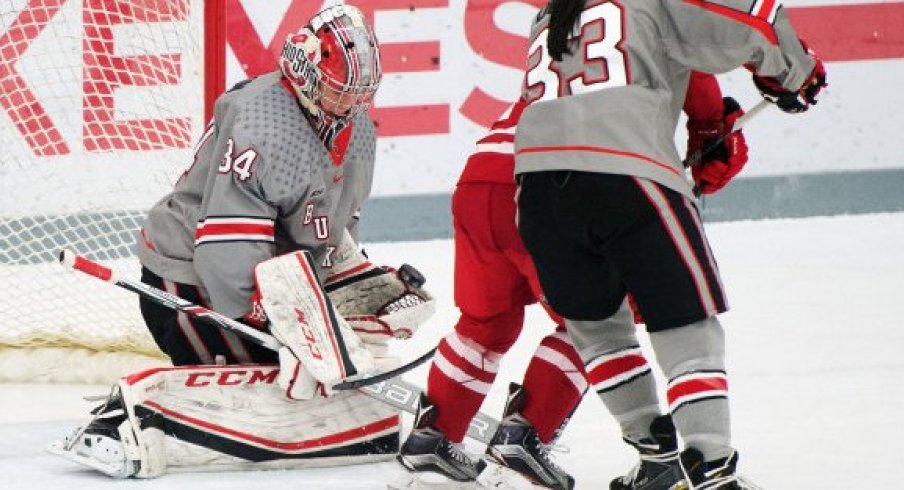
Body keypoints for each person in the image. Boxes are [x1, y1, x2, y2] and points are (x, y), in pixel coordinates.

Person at [50, 3, 434, 479]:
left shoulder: (356, 135)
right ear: (305, 71)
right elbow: (226, 249)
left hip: (268, 279)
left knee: (312, 372)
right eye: (338, 91)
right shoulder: (266, 120)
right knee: (260, 382)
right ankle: (121, 421)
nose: (349, 105)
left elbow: (331, 235)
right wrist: (284, 327)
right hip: (189, 277)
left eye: (359, 94)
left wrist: (364, 287)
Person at [513, 0, 826, 488]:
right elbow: (751, 22)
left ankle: (654, 452)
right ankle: (711, 465)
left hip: (536, 188)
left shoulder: (549, 14)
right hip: (627, 174)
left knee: (597, 330)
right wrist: (794, 70)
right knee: (685, 322)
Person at [392, 68, 750, 488]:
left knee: (486, 322)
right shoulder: (643, 50)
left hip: (477, 183)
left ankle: (432, 436)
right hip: (541, 184)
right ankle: (524, 433)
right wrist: (711, 131)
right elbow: (693, 86)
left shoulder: (572, 48)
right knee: (589, 317)